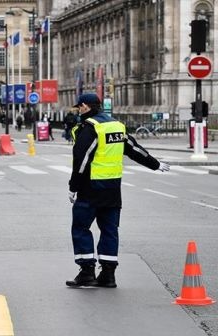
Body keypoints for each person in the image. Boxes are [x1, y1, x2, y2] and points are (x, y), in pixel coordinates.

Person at [65, 93, 170, 288]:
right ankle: (108, 274)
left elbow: (82, 160)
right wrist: (155, 164)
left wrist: (73, 187)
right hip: (113, 189)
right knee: (110, 230)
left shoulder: (91, 128)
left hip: (90, 188)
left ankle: (87, 272)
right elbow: (134, 149)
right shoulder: (116, 126)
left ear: (86, 107)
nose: (78, 110)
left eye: (79, 107)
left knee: (81, 228)